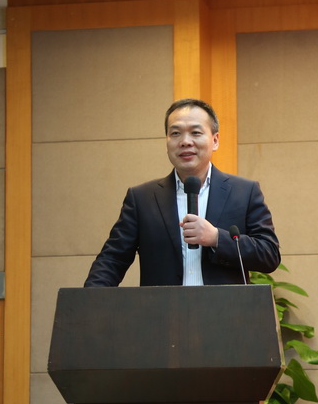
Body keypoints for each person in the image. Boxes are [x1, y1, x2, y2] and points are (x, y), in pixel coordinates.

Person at [84, 98, 280, 287]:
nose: (185, 142)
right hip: (164, 309)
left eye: (195, 132)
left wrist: (216, 238)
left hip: (224, 308)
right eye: (176, 133)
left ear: (215, 140)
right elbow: (113, 259)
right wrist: (88, 300)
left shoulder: (244, 192)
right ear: (167, 141)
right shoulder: (142, 198)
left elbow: (269, 254)